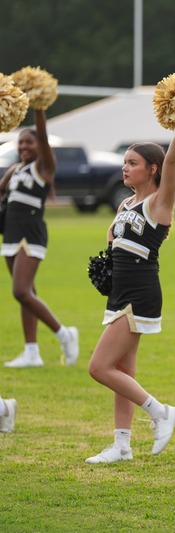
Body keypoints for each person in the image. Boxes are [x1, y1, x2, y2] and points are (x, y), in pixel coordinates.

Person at [85, 136, 175, 464]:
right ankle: (122, 445)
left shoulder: (159, 203)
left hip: (140, 292)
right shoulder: (124, 204)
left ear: (152, 169)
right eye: (124, 162)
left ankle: (161, 412)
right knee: (123, 370)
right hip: (120, 292)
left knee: (99, 367)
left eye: (133, 163)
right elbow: (113, 240)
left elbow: (172, 161)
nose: (125, 168)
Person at [0, 110, 79, 369]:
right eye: (20, 142)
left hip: (30, 234)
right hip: (11, 234)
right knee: (27, 294)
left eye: (29, 142)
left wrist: (38, 108)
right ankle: (31, 352)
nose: (24, 146)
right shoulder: (15, 170)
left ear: (39, 146)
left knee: (20, 290)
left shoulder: (43, 167)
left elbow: (43, 135)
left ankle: (64, 334)